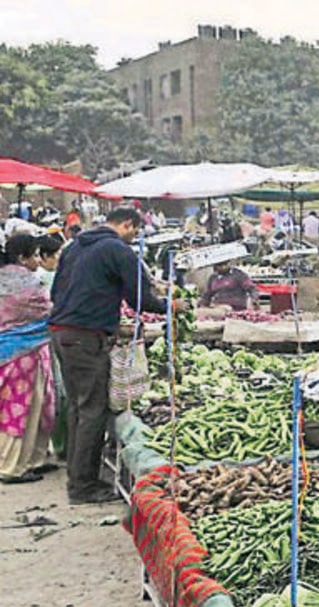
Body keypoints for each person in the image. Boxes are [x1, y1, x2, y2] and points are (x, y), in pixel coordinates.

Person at [48, 208, 183, 504]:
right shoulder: (117, 249)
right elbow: (140, 298)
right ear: (127, 225)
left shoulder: (74, 246)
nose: (135, 237)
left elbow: (57, 292)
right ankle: (83, 487)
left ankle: (77, 474)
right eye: (135, 231)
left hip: (62, 332)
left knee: (78, 407)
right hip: (85, 337)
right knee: (94, 409)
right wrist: (171, 306)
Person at [0, 234, 56, 484]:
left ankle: (32, 460)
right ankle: (11, 466)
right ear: (22, 258)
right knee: (22, 408)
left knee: (29, 407)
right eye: (34, 255)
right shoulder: (25, 282)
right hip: (23, 353)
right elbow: (47, 310)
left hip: (12, 350)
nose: (37, 260)